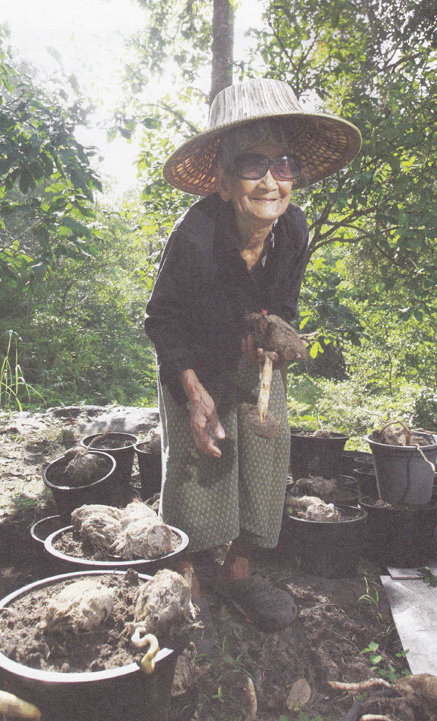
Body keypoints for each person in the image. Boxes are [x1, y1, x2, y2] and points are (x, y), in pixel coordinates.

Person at [144, 78, 361, 635]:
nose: (270, 180)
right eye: (252, 165)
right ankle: (186, 572)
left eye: (283, 164)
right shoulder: (194, 236)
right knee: (196, 462)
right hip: (192, 361)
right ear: (222, 181)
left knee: (267, 450)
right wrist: (194, 393)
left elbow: (282, 303)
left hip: (252, 359)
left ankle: (237, 570)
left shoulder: (293, 229)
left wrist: (275, 337)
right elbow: (162, 321)